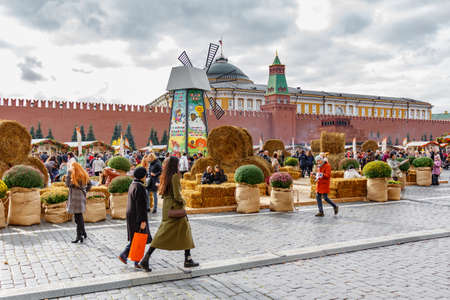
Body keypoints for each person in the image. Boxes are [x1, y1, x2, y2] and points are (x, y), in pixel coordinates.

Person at [138, 156, 198, 271]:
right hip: (175, 207)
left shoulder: (166, 175)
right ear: (175, 165)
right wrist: (184, 201)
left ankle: (187, 258)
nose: (179, 165)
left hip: (167, 207)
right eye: (178, 163)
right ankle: (146, 259)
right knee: (169, 232)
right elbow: (177, 195)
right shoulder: (175, 176)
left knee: (178, 230)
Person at [118, 167, 152, 267]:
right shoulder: (140, 187)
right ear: (142, 176)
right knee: (139, 238)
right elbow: (141, 206)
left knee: (136, 238)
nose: (146, 177)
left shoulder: (133, 184)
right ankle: (129, 257)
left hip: (132, 215)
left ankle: (128, 257)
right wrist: (143, 220)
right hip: (138, 217)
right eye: (145, 175)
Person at [66, 162, 92, 243]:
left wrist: (68, 174)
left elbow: (67, 184)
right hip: (81, 196)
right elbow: (90, 185)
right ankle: (83, 232)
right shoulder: (84, 173)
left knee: (78, 217)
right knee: (79, 215)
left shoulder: (71, 173)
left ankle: (79, 236)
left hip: (74, 197)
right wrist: (84, 191)